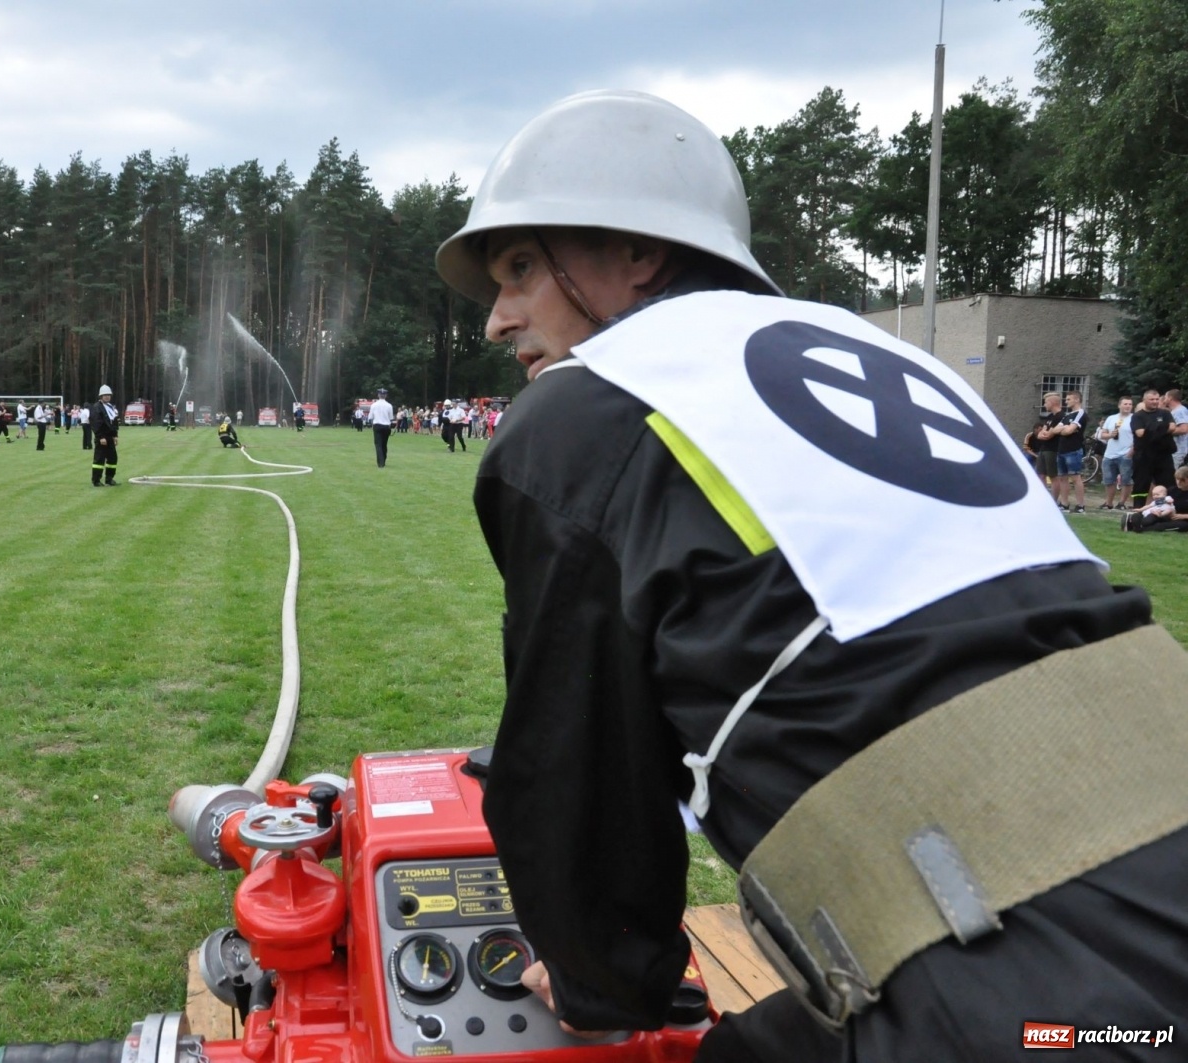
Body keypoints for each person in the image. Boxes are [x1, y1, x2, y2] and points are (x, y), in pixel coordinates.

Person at [436, 90, 1187, 1062]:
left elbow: (574, 773)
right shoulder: (887, 356)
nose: (498, 319)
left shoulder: (583, 415)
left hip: (1050, 997)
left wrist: (596, 978)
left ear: (637, 254)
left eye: (523, 269)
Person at [1131, 389, 1176, 502]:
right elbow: (1140, 433)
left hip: (1163, 455)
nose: (1155, 401)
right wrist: (1162, 429)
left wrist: (1153, 430)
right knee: (1141, 483)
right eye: (1151, 399)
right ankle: (1139, 510)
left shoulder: (1165, 413)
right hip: (1144, 456)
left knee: (1168, 484)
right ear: (1144, 400)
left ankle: (1165, 509)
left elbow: (1172, 427)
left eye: (1157, 399)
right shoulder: (1138, 416)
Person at [1097, 396, 1133, 510]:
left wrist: (1131, 452)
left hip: (1126, 452)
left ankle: (1121, 503)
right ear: (1119, 405)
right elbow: (1102, 434)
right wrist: (1110, 435)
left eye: (1130, 404)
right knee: (1108, 480)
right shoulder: (1111, 418)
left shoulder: (1135, 418)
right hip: (1110, 453)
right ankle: (1109, 503)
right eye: (1125, 404)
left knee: (1126, 480)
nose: (1127, 406)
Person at [1053, 390, 1086, 511]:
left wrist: (1065, 428)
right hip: (1061, 449)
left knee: (1076, 477)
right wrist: (1065, 428)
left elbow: (1068, 431)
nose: (1066, 401)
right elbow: (1055, 430)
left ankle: (1081, 505)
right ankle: (1064, 503)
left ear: (1077, 399)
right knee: (1062, 477)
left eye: (1068, 399)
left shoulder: (1080, 413)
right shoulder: (1067, 415)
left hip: (1073, 450)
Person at [1031, 391, 1062, 499]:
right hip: (1043, 449)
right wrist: (1044, 433)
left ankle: (1054, 500)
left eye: (1045, 402)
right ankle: (1043, 498)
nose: (1044, 405)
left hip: (1052, 449)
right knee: (1041, 474)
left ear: (1052, 402)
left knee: (1053, 476)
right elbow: (1040, 434)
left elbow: (1049, 435)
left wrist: (1047, 433)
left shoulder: (1060, 416)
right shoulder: (1049, 417)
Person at [89, 386, 119, 486]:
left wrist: (115, 435)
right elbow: (96, 423)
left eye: (108, 395)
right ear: (101, 396)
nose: (107, 397)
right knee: (99, 459)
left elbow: (114, 422)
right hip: (102, 437)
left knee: (112, 458)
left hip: (110, 437)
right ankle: (96, 480)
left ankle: (109, 478)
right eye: (105, 395)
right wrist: (100, 436)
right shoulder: (97, 407)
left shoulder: (111, 407)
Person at [368, 387, 394, 468]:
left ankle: (380, 463)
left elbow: (370, 417)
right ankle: (384, 460)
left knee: (378, 445)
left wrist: (370, 424)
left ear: (378, 395)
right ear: (385, 395)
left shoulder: (374, 405)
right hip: (386, 426)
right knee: (384, 444)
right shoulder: (389, 405)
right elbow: (391, 418)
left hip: (377, 425)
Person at [1166, 388, 1188, 469]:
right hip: (1175, 450)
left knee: (1176, 476)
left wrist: (1165, 431)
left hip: (1180, 451)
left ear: (1170, 398)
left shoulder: (1179, 411)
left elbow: (1184, 429)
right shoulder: (1175, 411)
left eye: (1165, 397)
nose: (1164, 399)